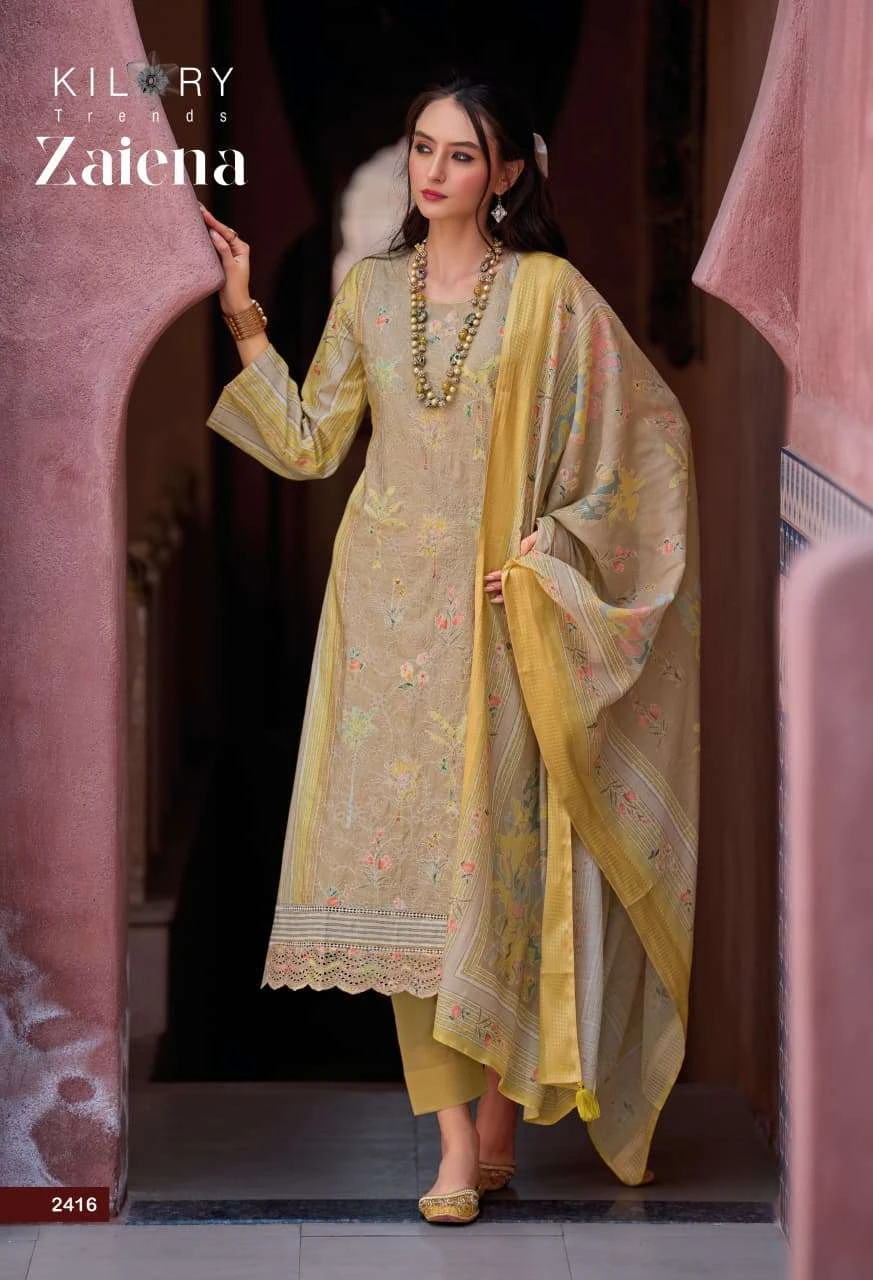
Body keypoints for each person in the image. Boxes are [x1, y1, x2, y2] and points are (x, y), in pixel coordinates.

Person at [202, 75, 701, 1226]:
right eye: (421, 147)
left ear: (508, 172)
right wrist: (243, 312)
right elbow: (311, 441)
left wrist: (552, 545)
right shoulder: (371, 294)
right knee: (416, 885)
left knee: (504, 864)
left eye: (460, 154)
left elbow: (647, 441)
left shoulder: (552, 296)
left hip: (503, 617)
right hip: (385, 626)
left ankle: (501, 1123)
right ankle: (452, 1143)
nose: (433, 171)